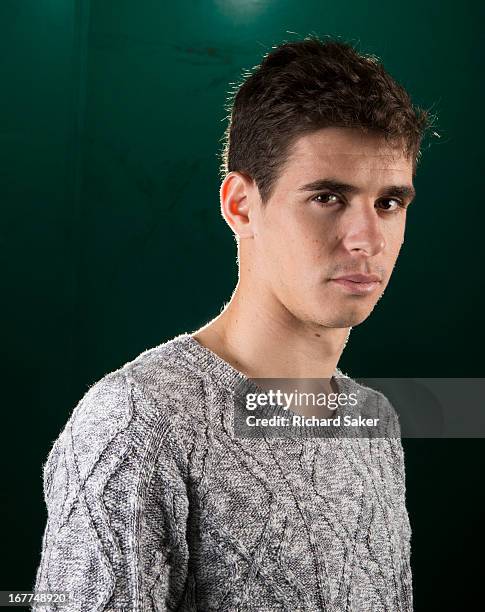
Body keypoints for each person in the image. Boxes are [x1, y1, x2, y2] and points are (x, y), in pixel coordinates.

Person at [32, 35, 434, 611]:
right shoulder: (134, 425)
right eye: (327, 197)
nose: (367, 239)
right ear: (241, 205)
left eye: (389, 203)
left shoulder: (373, 421)